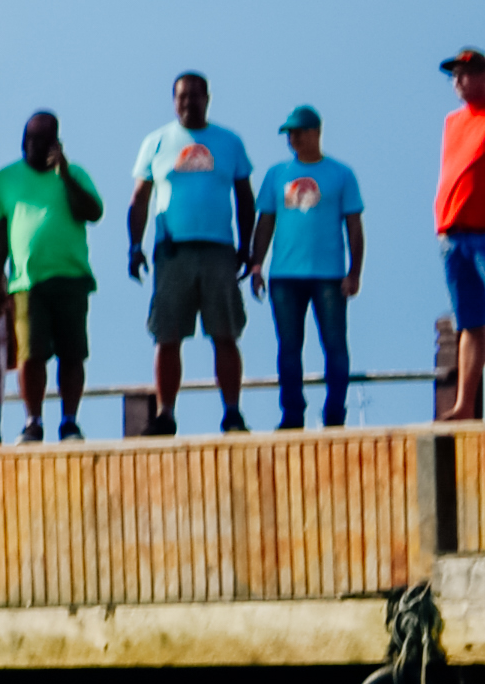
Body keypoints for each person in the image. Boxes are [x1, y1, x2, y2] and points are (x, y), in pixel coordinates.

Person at [127, 72, 257, 434]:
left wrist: (246, 247)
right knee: (167, 336)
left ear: (207, 99)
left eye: (194, 96)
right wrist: (135, 246)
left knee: (224, 333)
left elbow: (245, 198)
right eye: (181, 97)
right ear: (174, 101)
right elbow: (139, 199)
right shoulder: (156, 142)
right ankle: (165, 413)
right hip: (172, 251)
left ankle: (232, 412)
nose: (188, 103)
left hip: (218, 250)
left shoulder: (229, 142)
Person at [249, 105, 365, 431]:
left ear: (316, 132)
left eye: (299, 132)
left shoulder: (341, 174)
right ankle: (292, 413)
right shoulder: (276, 175)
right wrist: (257, 265)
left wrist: (354, 271)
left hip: (329, 276)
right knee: (288, 347)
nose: (293, 139)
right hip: (285, 277)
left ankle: (334, 412)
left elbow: (354, 225)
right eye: (289, 134)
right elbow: (265, 222)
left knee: (335, 344)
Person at [0, 111, 105, 443]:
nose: (37, 147)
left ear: (57, 143)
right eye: (31, 141)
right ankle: (33, 420)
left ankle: (69, 421)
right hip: (27, 282)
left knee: (72, 354)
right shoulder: (6, 179)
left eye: (45, 142)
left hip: (70, 277)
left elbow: (93, 212)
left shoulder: (74, 173)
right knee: (31, 353)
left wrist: (65, 173)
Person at [445, 49, 485, 424]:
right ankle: (464, 405)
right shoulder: (453, 122)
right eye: (455, 74)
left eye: (467, 73)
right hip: (455, 235)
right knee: (469, 323)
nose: (459, 80)